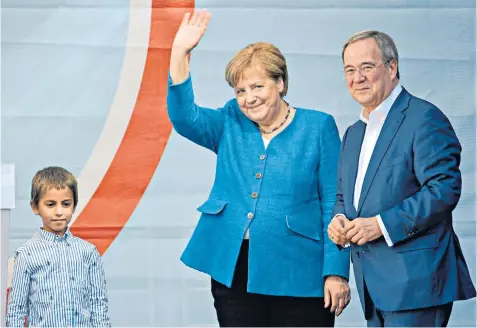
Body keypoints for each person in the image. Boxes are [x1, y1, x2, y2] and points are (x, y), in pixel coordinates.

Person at [167, 9, 350, 327]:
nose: (248, 98)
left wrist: (335, 270)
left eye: (257, 87)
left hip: (299, 268)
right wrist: (179, 55)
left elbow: (334, 203)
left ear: (280, 82)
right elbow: (185, 117)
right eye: (240, 91)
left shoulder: (318, 126)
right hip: (234, 266)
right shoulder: (229, 121)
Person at [327, 30, 476, 327]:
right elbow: (345, 197)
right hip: (373, 286)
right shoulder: (353, 134)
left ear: (392, 67)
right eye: (350, 70)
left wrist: (379, 226)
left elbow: (443, 189)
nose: (357, 78)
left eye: (367, 67)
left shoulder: (424, 118)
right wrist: (339, 220)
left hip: (416, 286)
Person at [6, 166, 111, 327]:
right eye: (50, 204)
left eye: (66, 204)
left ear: (74, 206)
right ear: (35, 207)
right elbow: (17, 311)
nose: (59, 212)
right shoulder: (26, 254)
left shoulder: (88, 252)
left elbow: (98, 305)